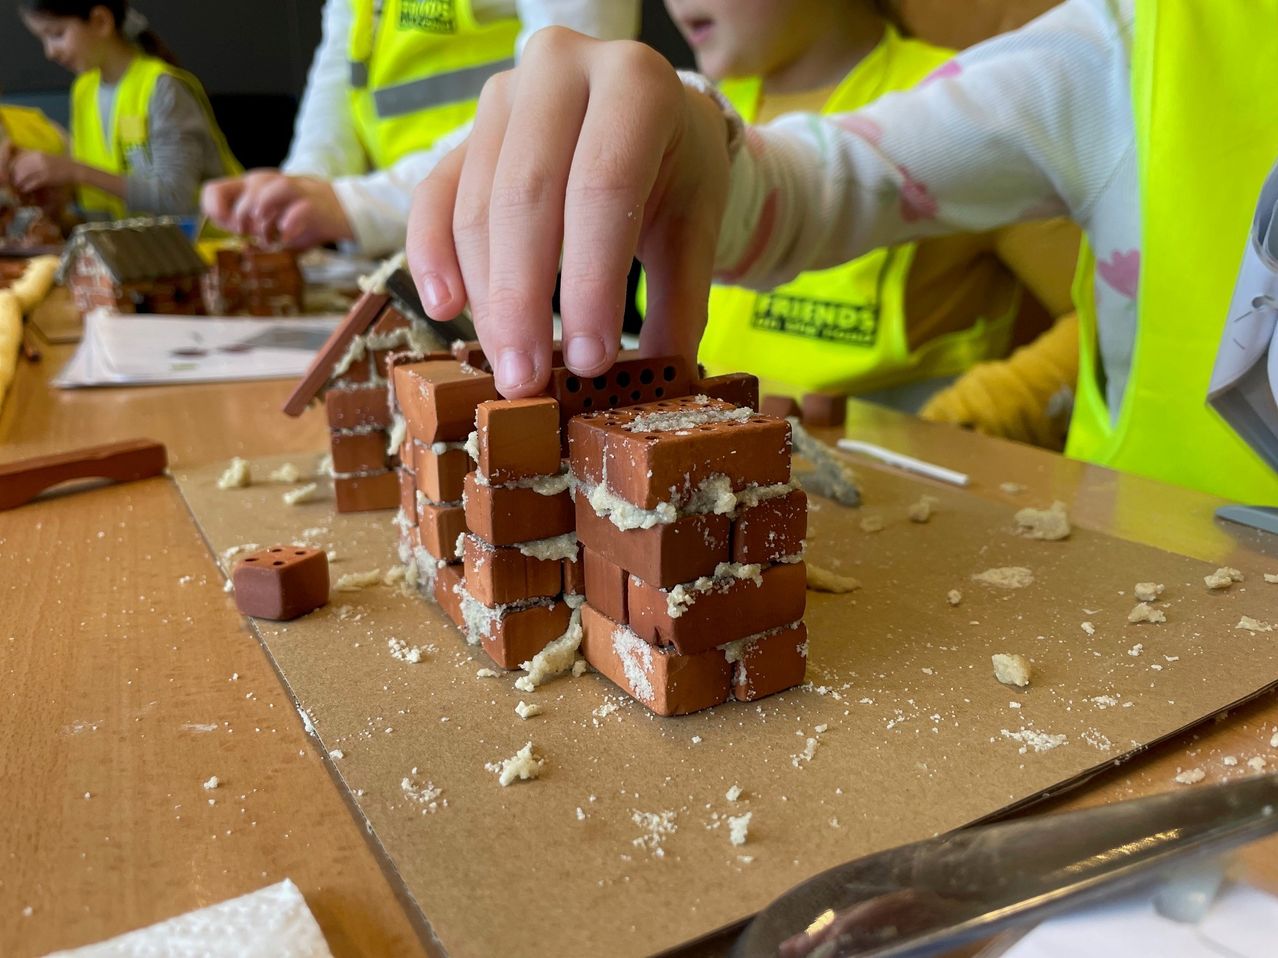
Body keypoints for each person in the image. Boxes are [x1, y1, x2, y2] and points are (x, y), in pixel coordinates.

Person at [403, 0, 1278, 504]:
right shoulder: (1125, 48)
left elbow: (1061, 323)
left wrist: (964, 415)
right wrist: (693, 132)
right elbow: (810, 182)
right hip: (1146, 565)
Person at [654, 0, 1079, 423]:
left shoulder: (973, 108)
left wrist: (972, 415)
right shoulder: (703, 113)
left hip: (892, 472)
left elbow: (1109, 317)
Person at [199, 0, 640, 256]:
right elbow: (343, 68)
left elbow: (568, 92)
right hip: (393, 250)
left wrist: (358, 205)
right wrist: (302, 185)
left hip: (526, 255)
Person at [11, 1, 241, 220]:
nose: (50, 52)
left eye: (57, 34)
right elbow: (103, 207)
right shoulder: (83, 90)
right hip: (136, 252)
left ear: (101, 21)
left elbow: (174, 198)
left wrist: (74, 171)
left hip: (209, 251)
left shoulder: (161, 87)